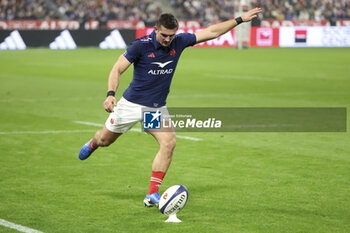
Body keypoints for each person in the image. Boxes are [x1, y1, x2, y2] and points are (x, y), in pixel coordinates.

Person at [78, 7, 262, 207]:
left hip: (155, 108)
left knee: (169, 143)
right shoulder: (140, 46)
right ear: (156, 29)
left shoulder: (180, 41)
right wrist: (110, 94)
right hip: (130, 104)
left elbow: (212, 32)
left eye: (171, 35)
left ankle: (152, 194)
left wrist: (239, 19)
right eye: (164, 35)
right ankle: (93, 144)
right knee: (105, 140)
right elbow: (117, 68)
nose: (167, 39)